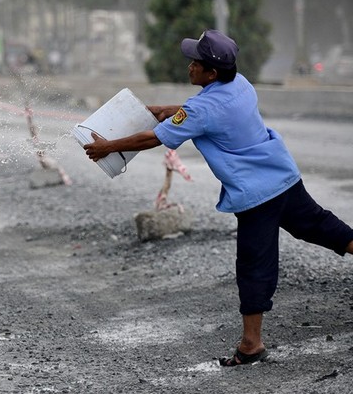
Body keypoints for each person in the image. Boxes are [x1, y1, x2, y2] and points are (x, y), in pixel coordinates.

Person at [83, 29, 353, 367]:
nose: (190, 66)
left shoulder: (200, 110)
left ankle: (251, 344)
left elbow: (154, 139)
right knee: (321, 226)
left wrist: (106, 146)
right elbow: (211, 112)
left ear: (211, 73)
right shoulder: (241, 85)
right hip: (282, 174)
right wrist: (172, 110)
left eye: (195, 62)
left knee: (254, 265)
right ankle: (252, 341)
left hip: (257, 195)